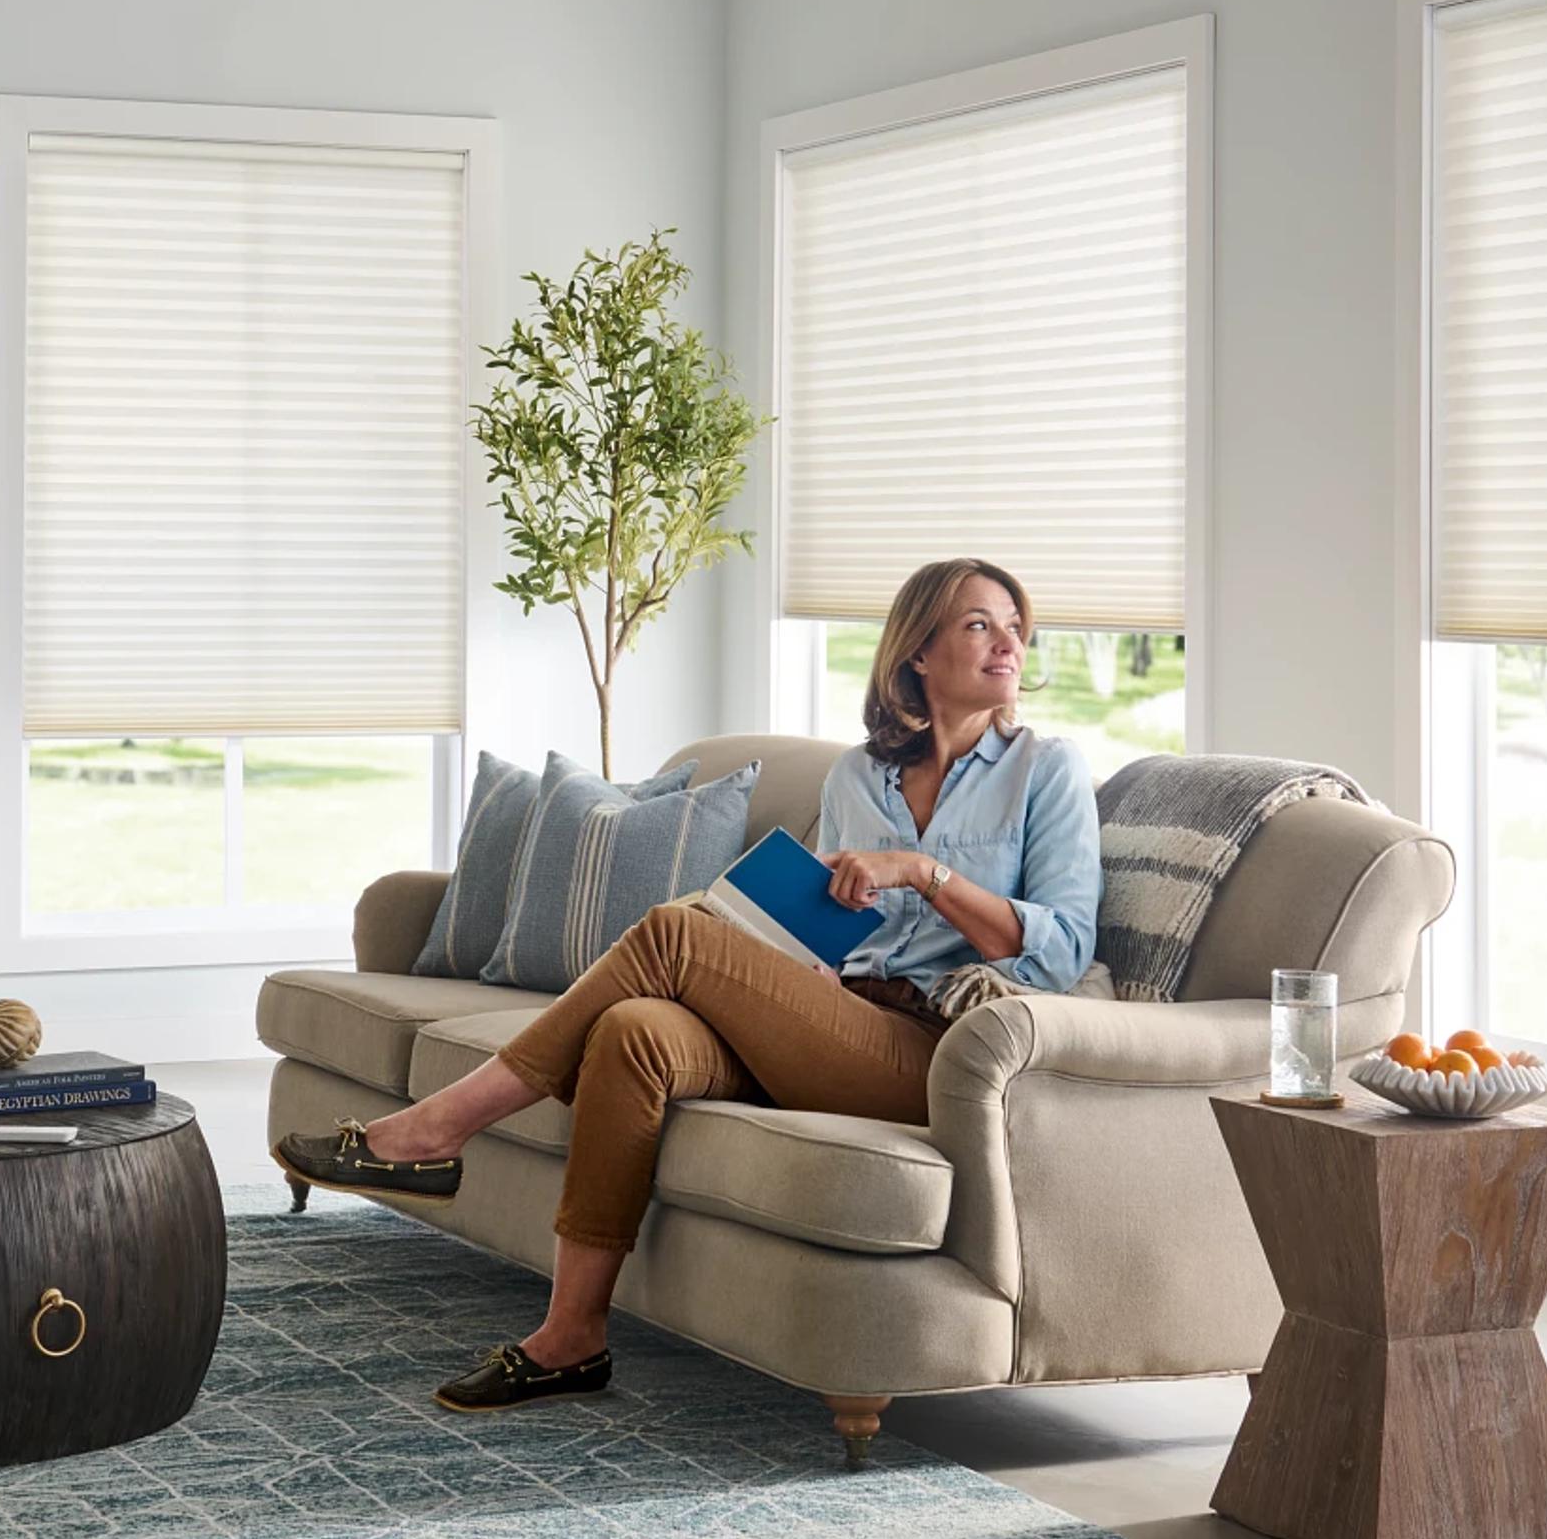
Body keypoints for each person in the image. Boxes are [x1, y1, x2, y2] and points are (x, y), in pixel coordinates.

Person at [274, 555, 1104, 1412]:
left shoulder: (1046, 768)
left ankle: (438, 1128)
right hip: (830, 1015)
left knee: (675, 930)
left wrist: (925, 873)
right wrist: (788, 939)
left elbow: (1062, 949)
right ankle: (572, 1336)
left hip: (931, 1048)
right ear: (919, 651)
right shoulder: (860, 776)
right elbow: (842, 933)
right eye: (979, 623)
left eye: (1014, 625)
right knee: (633, 1029)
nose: (1007, 641)